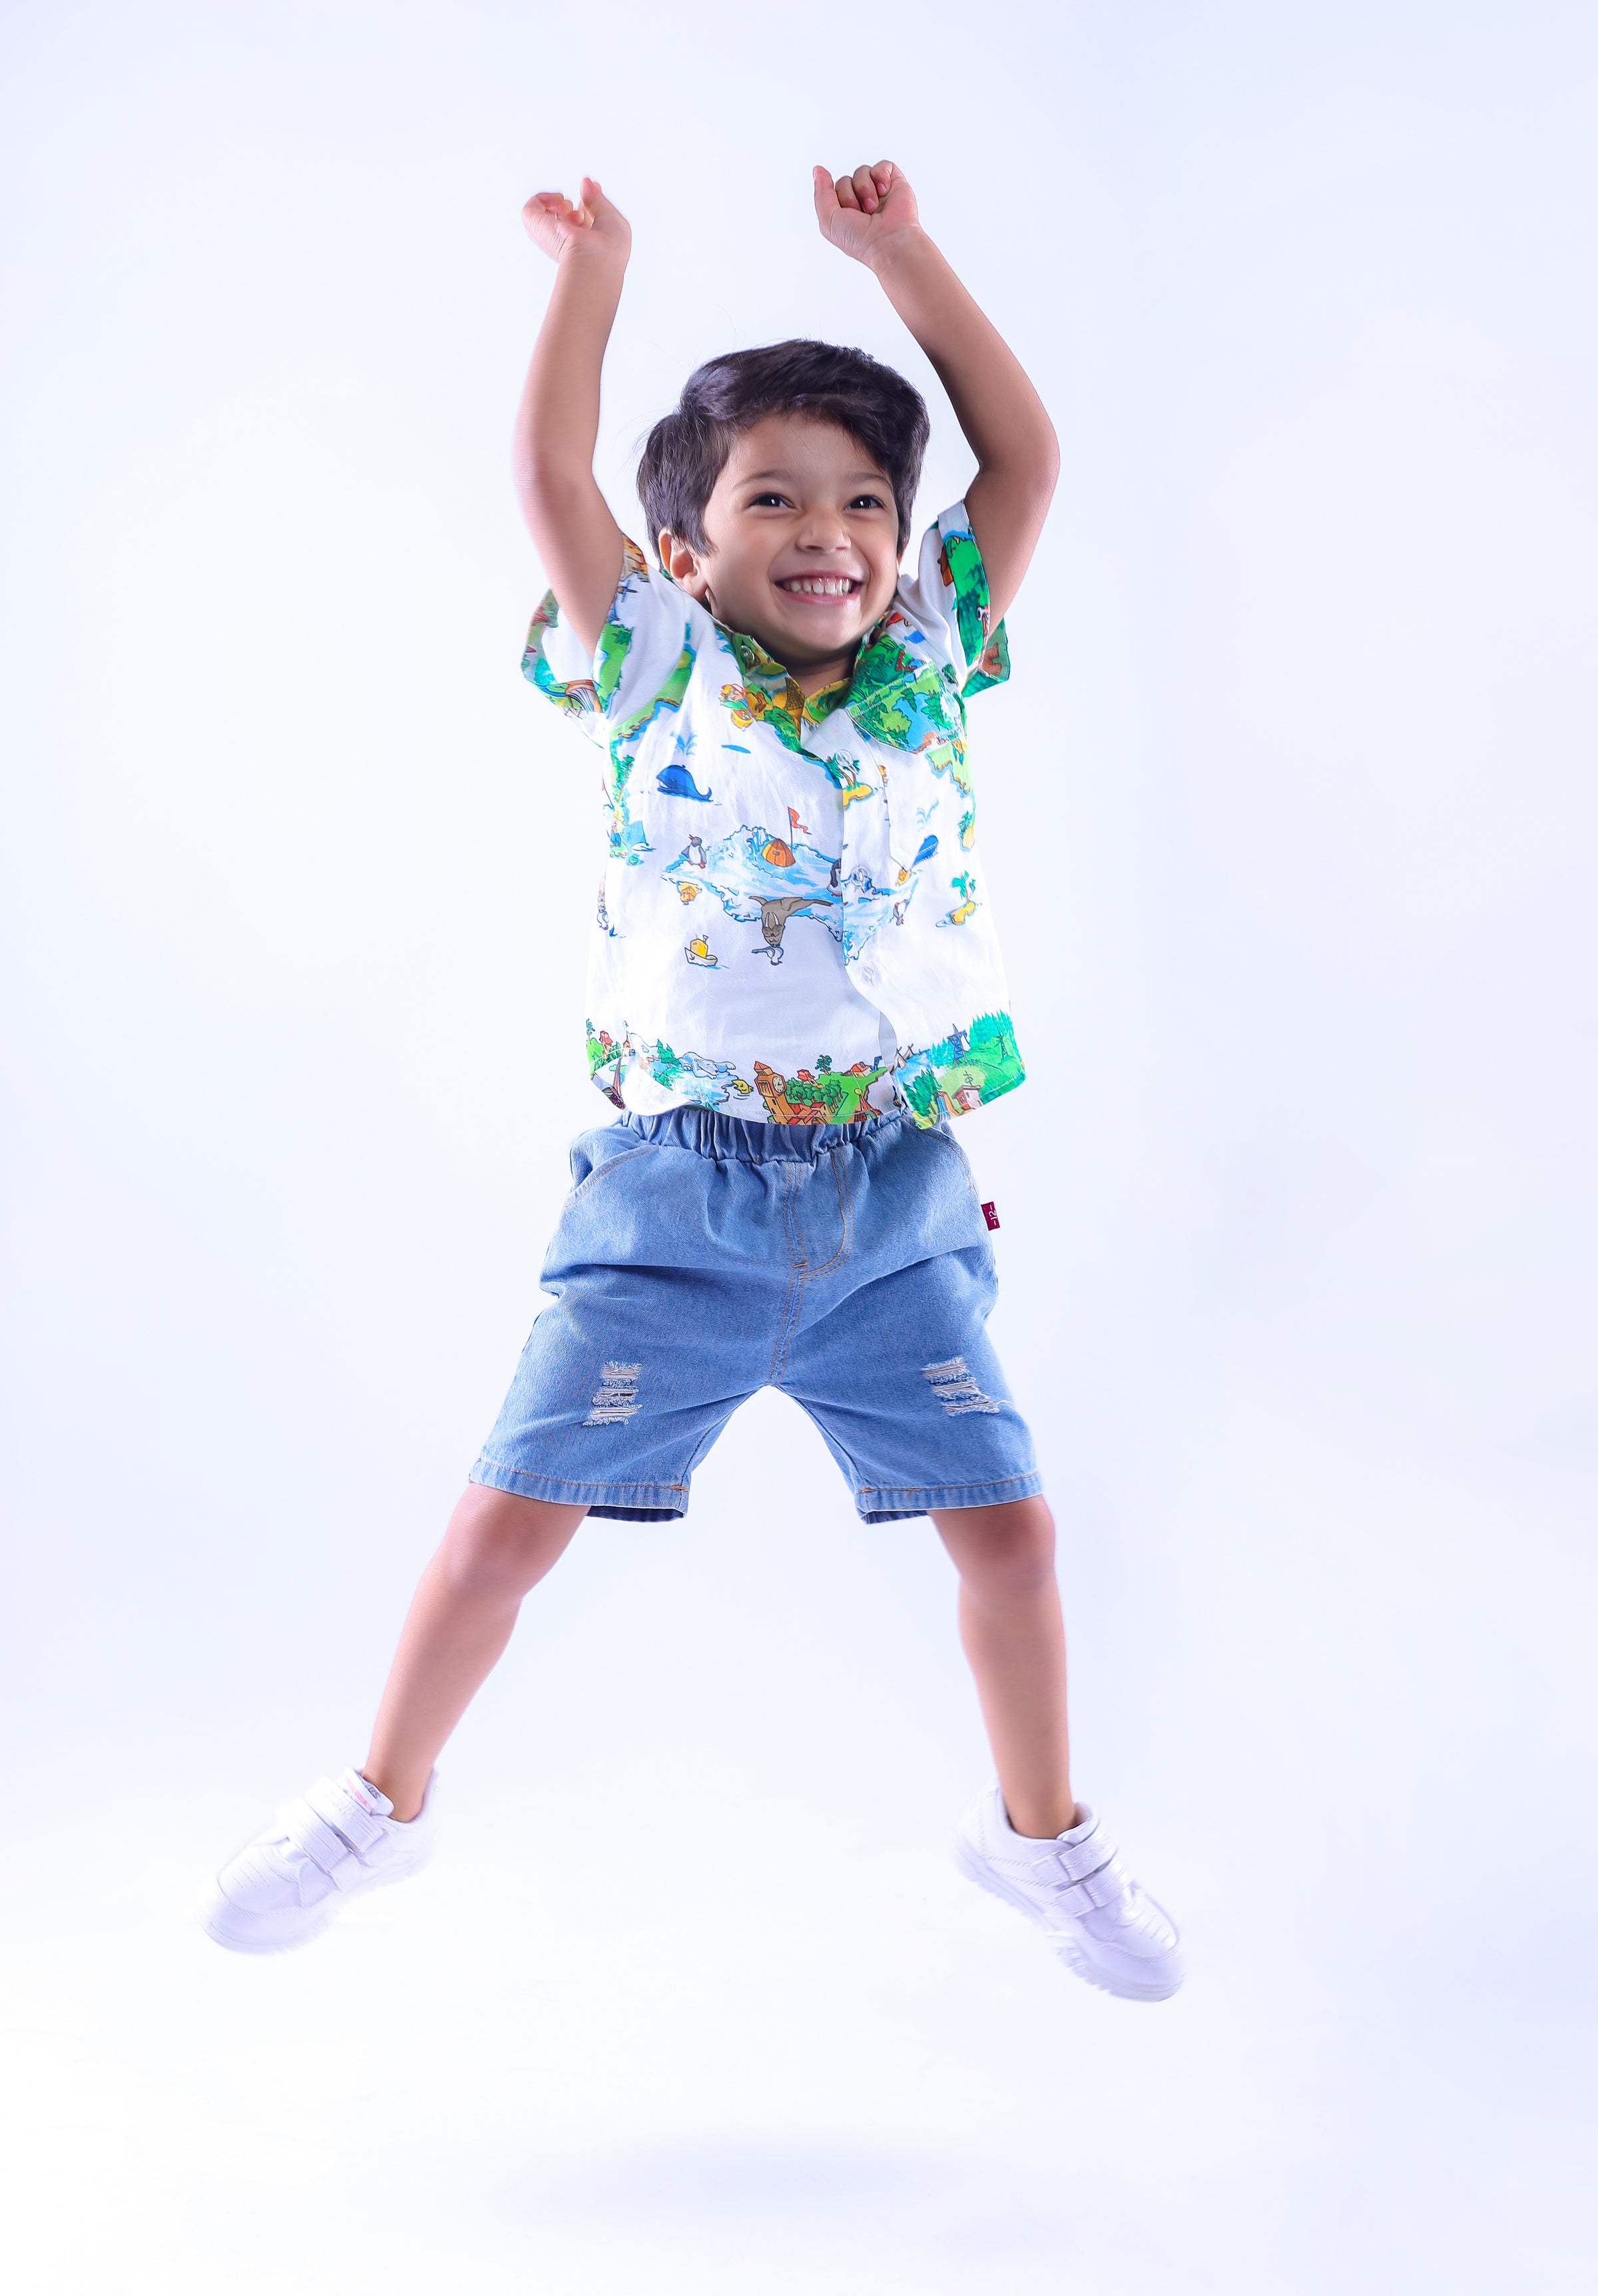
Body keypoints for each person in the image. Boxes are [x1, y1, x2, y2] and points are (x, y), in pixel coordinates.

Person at [202, 160, 1183, 2002]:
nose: (833, 533)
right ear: (685, 550)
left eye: (867, 501)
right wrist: (595, 272)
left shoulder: (931, 652)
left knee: (1013, 1532)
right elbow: (549, 475)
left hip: (896, 1203)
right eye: (774, 499)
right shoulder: (655, 667)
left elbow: (1029, 459)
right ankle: (379, 1800)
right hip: (676, 1200)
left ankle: (1040, 1838)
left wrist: (900, 259)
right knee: (507, 1522)